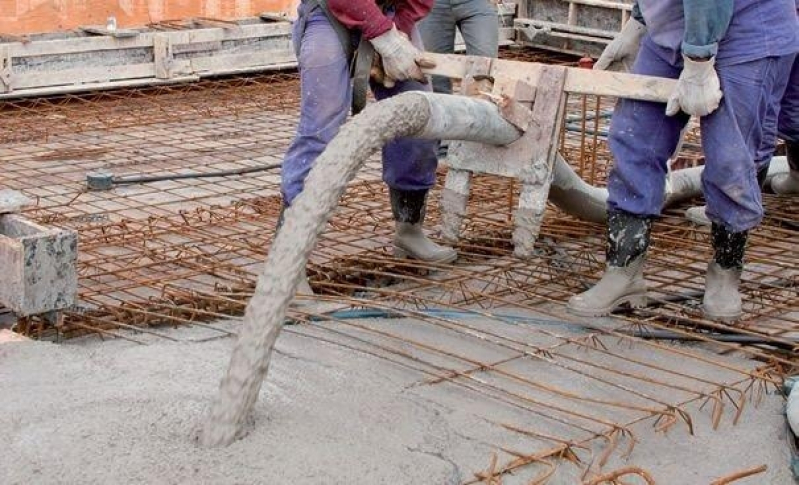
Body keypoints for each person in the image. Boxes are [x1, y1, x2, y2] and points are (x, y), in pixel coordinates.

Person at [567, 0, 799, 321]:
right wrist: (638, 21)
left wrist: (699, 61)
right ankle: (624, 271)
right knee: (634, 137)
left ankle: (725, 271)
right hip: (674, 28)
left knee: (730, 156)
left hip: (747, 30)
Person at [281, 0, 458, 295]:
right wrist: (382, 37)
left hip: (389, 12)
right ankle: (288, 263)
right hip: (329, 13)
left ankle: (409, 228)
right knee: (320, 131)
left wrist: (398, 32)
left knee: (418, 114)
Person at [417, 0, 499, 157]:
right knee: (436, 79)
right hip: (432, 4)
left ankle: (477, 150)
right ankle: (441, 150)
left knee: (485, 76)